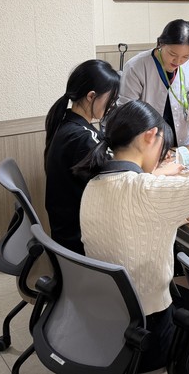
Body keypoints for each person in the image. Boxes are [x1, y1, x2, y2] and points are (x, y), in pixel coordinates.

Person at [76, 100, 189, 373]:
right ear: (150, 136)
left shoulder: (93, 184)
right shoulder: (149, 189)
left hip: (106, 322)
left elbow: (132, 221)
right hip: (149, 333)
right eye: (162, 146)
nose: (161, 156)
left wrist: (180, 214)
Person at [44, 59, 120, 254]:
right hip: (82, 238)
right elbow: (119, 183)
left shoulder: (65, 122)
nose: (111, 105)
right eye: (110, 99)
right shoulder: (82, 138)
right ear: (91, 96)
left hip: (65, 233)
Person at [120, 19, 189, 147]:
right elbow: (127, 109)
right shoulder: (136, 66)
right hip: (148, 140)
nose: (178, 61)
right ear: (161, 43)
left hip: (181, 138)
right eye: (172, 54)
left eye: (185, 56)